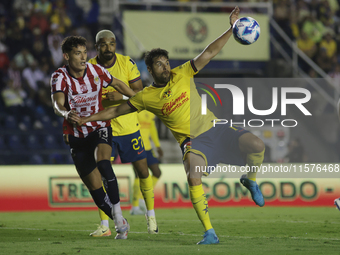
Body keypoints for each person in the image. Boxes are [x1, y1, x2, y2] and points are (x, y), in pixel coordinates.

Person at [76, 7, 265, 245]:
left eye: (166, 63)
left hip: (216, 128)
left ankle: (251, 179)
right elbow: (115, 110)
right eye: (159, 65)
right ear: (151, 70)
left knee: (257, 144)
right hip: (193, 142)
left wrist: (231, 28)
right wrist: (86, 119)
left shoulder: (183, 72)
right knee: (193, 175)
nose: (165, 67)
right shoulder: (146, 96)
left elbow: (210, 52)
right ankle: (210, 232)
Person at [50, 35, 135, 239]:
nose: (82, 57)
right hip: (77, 136)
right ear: (66, 56)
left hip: (100, 127)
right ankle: (119, 222)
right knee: (96, 192)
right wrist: (65, 113)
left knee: (104, 163)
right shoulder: (59, 76)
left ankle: (118, 212)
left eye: (85, 52)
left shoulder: (97, 71)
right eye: (77, 53)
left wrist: (135, 97)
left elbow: (117, 83)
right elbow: (57, 104)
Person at [87, 30, 158, 237]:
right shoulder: (89, 66)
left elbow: (139, 94)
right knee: (100, 175)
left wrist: (120, 95)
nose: (108, 47)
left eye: (111, 43)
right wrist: (105, 99)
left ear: (115, 45)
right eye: (103, 44)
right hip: (103, 128)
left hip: (129, 127)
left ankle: (151, 215)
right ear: (97, 46)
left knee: (143, 171)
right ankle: (105, 225)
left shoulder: (127, 63)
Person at [130, 110, 163, 215]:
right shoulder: (135, 110)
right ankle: (135, 207)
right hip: (136, 146)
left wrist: (157, 145)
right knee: (138, 175)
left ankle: (141, 197)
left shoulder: (151, 111)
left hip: (148, 147)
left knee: (157, 172)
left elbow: (152, 128)